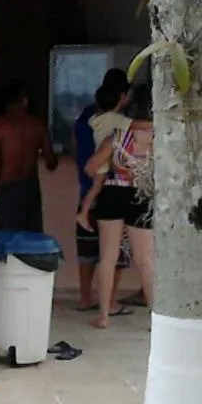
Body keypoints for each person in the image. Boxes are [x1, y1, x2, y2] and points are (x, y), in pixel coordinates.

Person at [80, 83, 155, 328]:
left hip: (112, 193)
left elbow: (91, 168)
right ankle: (156, 319)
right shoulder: (160, 138)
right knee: (145, 259)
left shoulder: (118, 136)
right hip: (141, 196)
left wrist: (116, 167)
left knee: (108, 257)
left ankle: (103, 316)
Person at [72, 70, 128, 311]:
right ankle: (111, 301)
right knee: (113, 253)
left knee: (87, 248)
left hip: (87, 187)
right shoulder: (122, 123)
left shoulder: (86, 118)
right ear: (122, 95)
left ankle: (86, 297)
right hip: (114, 190)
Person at [0, 81, 57, 233]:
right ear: (24, 101)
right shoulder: (38, 126)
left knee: (8, 238)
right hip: (31, 187)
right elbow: (51, 162)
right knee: (32, 238)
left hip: (8, 188)